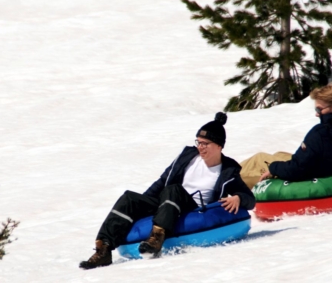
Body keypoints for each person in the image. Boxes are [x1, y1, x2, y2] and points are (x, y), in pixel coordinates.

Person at [80, 112, 256, 270]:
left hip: (191, 206)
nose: (200, 147)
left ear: (218, 146)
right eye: (198, 142)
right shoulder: (187, 157)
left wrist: (239, 198)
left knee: (174, 190)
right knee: (129, 198)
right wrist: (142, 204)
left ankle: (156, 239)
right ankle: (103, 249)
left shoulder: (228, 171)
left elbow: (250, 199)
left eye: (205, 144)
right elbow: (162, 181)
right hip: (168, 201)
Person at [259, 83, 332, 183]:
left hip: (309, 174)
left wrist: (274, 168)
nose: (317, 114)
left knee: (258, 159)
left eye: (319, 109)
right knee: (280, 154)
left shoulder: (320, 133)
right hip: (327, 168)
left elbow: (296, 169)